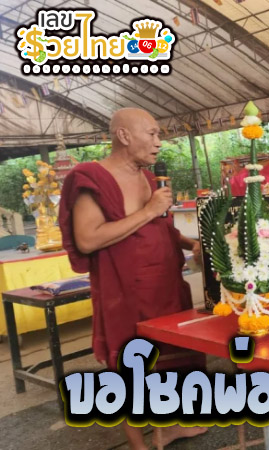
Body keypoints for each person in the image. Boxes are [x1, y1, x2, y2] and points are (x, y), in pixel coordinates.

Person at [58, 108, 207, 450]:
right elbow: (88, 239)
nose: (159, 142)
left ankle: (169, 427)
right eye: (152, 134)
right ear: (124, 136)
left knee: (174, 355)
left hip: (165, 281)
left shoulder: (147, 178)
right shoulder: (90, 177)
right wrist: (149, 210)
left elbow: (156, 226)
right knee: (131, 361)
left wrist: (191, 243)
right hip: (124, 290)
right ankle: (138, 444)